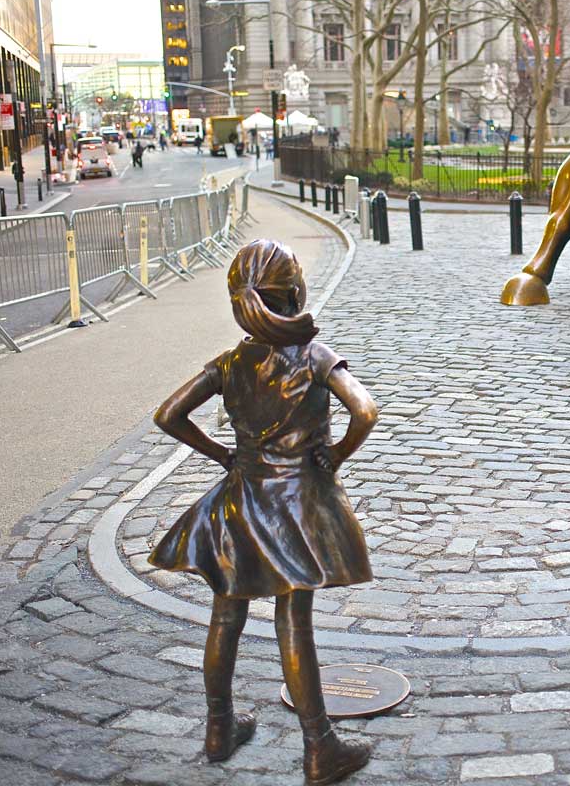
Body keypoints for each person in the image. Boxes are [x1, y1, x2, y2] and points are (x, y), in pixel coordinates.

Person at [148, 240, 376, 786]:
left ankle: (219, 729)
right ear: (296, 296)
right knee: (292, 619)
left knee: (226, 614)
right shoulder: (315, 357)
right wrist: (336, 455)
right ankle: (320, 749)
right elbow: (365, 410)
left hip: (240, 501)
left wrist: (223, 455)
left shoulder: (230, 362)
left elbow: (168, 415)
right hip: (297, 508)